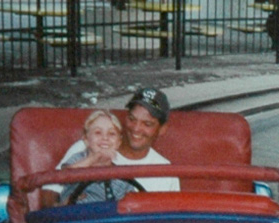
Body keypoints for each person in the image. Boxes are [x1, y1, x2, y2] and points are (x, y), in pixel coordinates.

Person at [41, 88, 180, 208]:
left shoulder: (166, 172)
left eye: (147, 124)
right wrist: (60, 208)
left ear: (162, 129)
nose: (136, 129)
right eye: (132, 119)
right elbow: (50, 190)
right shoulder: (88, 147)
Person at [59, 110, 137, 204]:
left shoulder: (122, 177)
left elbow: (132, 204)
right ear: (86, 139)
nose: (105, 138)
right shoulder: (79, 159)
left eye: (111, 134)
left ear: (119, 142)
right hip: (76, 214)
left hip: (106, 216)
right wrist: (93, 158)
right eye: (98, 132)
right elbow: (63, 177)